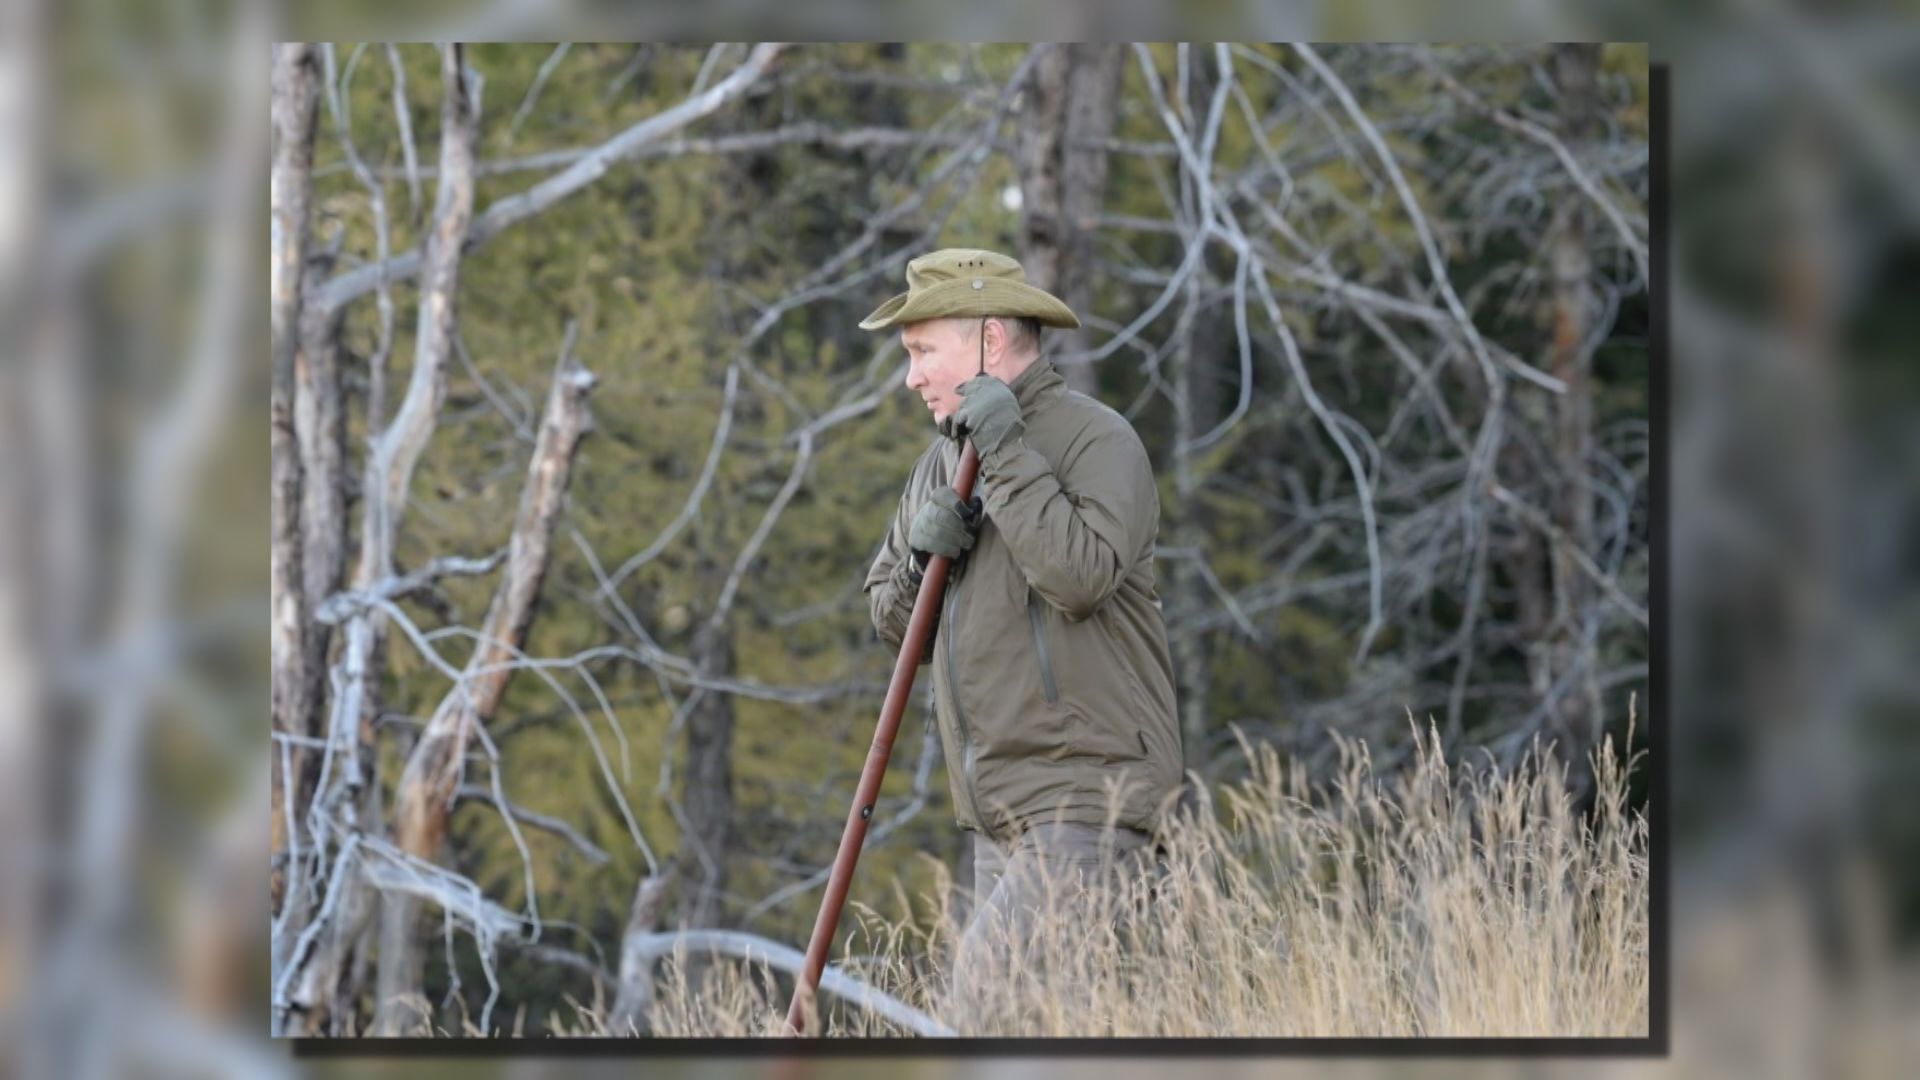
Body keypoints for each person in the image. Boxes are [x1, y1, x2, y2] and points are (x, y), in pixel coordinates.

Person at [857, 248, 1184, 1023]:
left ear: (990, 342)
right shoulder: (937, 467)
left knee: (981, 1021)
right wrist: (919, 560)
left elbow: (1080, 577)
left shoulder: (1096, 442)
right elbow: (893, 626)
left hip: (1087, 801)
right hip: (1000, 819)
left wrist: (1003, 455)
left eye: (922, 351)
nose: (911, 376)